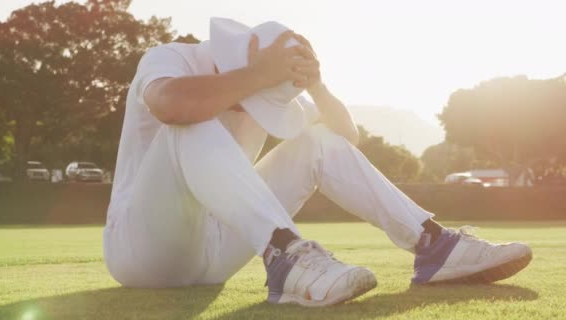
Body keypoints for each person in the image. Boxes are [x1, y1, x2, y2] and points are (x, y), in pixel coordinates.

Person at [103, 18, 532, 307]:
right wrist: (259, 76)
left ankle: (433, 245)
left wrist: (319, 87)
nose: (252, 113)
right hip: (142, 250)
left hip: (216, 256)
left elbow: (344, 141)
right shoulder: (169, 58)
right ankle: (286, 255)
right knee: (187, 123)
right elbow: (171, 105)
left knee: (317, 139)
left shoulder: (270, 87)